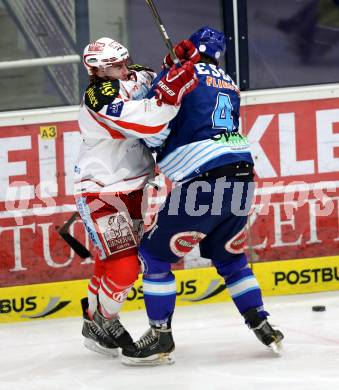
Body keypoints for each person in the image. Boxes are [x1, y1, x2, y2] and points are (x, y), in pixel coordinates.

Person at [121, 26, 284, 365]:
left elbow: (157, 128)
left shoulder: (179, 74)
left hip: (203, 179)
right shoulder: (228, 81)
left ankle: (160, 336)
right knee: (230, 258)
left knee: (154, 255)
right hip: (242, 176)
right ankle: (261, 321)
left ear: (189, 47)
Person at [74, 36, 199, 357]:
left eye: (124, 61)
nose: (124, 68)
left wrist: (179, 62)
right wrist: (170, 98)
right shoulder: (98, 95)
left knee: (109, 259)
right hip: (101, 189)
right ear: (98, 70)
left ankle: (92, 319)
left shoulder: (136, 73)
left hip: (133, 187)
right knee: (125, 266)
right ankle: (104, 317)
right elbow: (144, 120)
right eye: (115, 66)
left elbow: (161, 81)